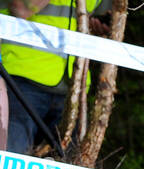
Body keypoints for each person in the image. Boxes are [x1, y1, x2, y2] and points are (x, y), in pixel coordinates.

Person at [1, 0, 110, 156]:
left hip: (73, 88)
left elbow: (109, 18)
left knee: (68, 168)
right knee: (9, 166)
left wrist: (99, 27)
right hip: (21, 79)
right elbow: (21, 9)